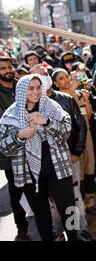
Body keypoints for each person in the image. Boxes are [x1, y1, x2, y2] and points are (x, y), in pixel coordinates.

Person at [0, 74, 78, 241]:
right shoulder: (10, 115)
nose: (35, 92)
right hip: (29, 175)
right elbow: (3, 148)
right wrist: (18, 136)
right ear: (21, 90)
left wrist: (47, 121)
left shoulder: (52, 106)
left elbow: (66, 131)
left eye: (38, 87)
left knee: (70, 209)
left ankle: (74, 237)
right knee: (41, 214)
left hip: (58, 168)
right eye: (30, 88)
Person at [29, 65, 94, 241]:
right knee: (51, 204)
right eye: (37, 76)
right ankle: (58, 232)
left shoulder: (65, 99)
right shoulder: (28, 105)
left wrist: (76, 152)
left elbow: (80, 126)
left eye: (44, 74)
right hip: (43, 166)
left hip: (68, 160)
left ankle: (78, 231)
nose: (41, 79)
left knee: (74, 199)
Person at [53, 69, 96, 215]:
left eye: (66, 76)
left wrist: (86, 100)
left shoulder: (79, 93)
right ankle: (80, 207)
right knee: (78, 171)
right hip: (73, 140)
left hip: (88, 138)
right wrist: (73, 90)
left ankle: (90, 201)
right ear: (55, 83)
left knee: (89, 165)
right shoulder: (57, 99)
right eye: (61, 78)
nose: (66, 80)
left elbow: (89, 115)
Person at [0, 57, 29, 241]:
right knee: (16, 192)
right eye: (3, 68)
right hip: (10, 153)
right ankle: (22, 228)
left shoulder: (23, 86)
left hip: (32, 148)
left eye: (9, 67)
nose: (7, 70)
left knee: (37, 189)